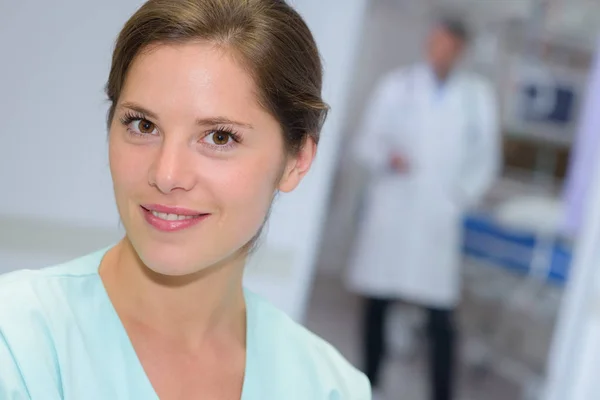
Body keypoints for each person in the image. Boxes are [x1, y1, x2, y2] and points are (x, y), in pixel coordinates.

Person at [0, 1, 371, 399]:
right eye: (143, 125)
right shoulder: (18, 341)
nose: (166, 174)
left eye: (219, 137)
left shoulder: (330, 386)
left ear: (296, 160)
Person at [346, 14, 500, 400]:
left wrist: (458, 196)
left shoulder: (476, 96)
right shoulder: (397, 86)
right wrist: (389, 157)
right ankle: (371, 384)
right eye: (433, 43)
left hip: (437, 214)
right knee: (377, 299)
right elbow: (365, 142)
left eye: (446, 45)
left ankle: (442, 392)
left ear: (460, 50)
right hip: (394, 204)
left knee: (440, 314)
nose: (437, 51)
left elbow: (486, 158)